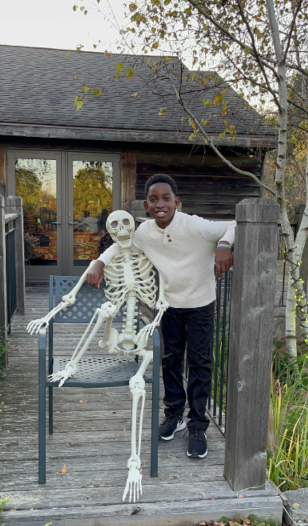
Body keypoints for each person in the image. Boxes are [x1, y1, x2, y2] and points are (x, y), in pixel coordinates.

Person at [86, 174, 234, 459]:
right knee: (170, 360)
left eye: (166, 198)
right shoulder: (144, 232)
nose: (160, 204)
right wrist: (99, 262)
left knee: (200, 362)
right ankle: (175, 415)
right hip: (168, 305)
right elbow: (121, 246)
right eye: (154, 199)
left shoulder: (195, 225)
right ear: (146, 205)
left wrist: (224, 244)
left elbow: (234, 225)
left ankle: (198, 425)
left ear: (176, 201)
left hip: (201, 303)